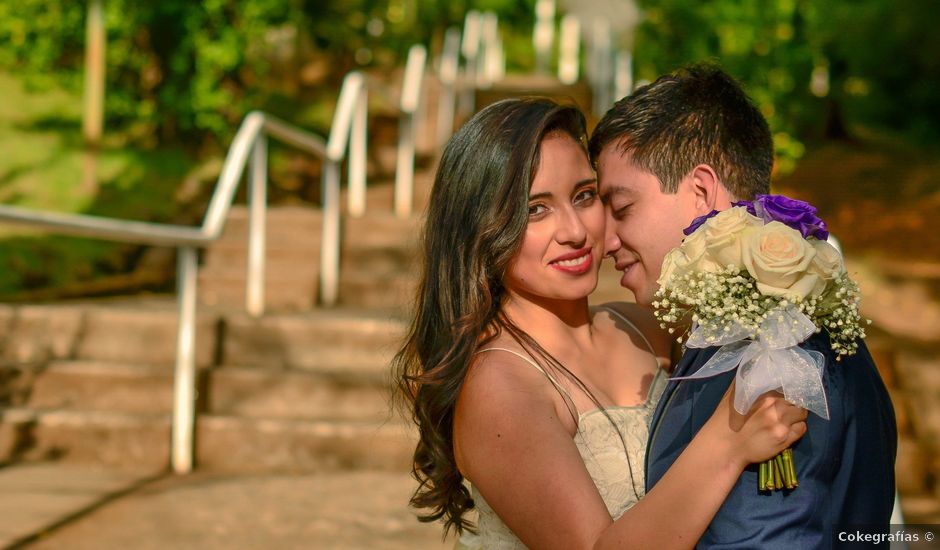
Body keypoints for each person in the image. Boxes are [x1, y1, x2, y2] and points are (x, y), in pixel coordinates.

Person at [394, 96, 808, 549]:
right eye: (535, 209)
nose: (575, 230)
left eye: (584, 196)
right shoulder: (500, 385)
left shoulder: (647, 327)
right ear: (481, 229)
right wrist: (728, 443)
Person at [589, 63, 898, 548]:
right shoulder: (791, 322)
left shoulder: (770, 353)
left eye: (622, 208)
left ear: (701, 191)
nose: (607, 240)